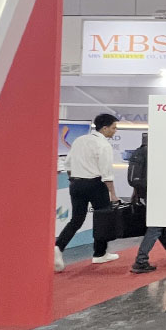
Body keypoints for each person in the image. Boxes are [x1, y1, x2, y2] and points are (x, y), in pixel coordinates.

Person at [54, 113, 122, 270]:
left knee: (76, 220)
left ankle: (58, 246)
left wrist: (73, 180)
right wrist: (113, 194)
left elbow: (68, 163)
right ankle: (99, 254)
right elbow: (106, 173)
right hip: (95, 184)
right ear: (104, 128)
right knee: (102, 218)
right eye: (113, 128)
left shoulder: (79, 140)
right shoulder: (103, 145)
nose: (115, 131)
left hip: (76, 184)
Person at [127, 134, 166, 274]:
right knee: (156, 226)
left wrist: (136, 192)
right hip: (157, 193)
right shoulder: (155, 153)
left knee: (159, 221)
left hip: (145, 193)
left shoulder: (139, 152)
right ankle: (141, 260)